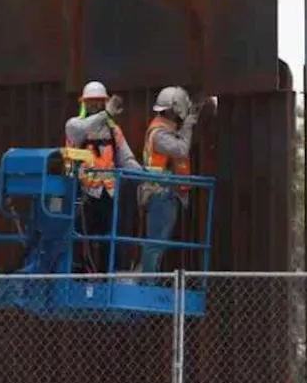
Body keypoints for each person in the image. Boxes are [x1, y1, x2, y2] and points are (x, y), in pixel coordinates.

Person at [65, 80, 143, 273]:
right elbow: (82, 131)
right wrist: (106, 114)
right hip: (83, 195)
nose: (95, 106)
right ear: (83, 103)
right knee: (81, 239)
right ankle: (78, 277)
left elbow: (126, 159)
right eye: (91, 102)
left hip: (108, 195)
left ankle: (108, 279)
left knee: (111, 240)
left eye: (99, 102)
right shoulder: (75, 126)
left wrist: (146, 176)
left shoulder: (113, 131)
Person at [137, 86, 207, 278]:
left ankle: (148, 279)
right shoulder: (159, 133)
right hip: (159, 192)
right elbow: (181, 149)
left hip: (164, 192)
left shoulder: (165, 129)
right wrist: (189, 125)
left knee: (160, 241)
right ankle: (147, 283)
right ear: (174, 109)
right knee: (156, 242)